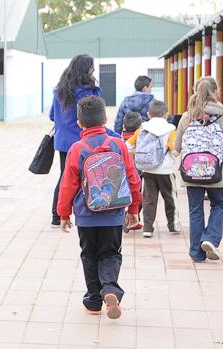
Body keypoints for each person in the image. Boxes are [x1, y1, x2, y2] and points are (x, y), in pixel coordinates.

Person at [57, 96, 141, 319]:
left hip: (86, 215)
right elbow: (132, 178)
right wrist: (133, 209)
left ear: (79, 123)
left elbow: (67, 185)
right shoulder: (119, 144)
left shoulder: (77, 149)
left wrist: (63, 213)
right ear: (105, 118)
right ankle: (111, 289)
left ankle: (94, 300)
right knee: (111, 253)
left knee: (89, 255)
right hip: (113, 214)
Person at [48, 54, 119, 227]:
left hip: (64, 142)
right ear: (87, 69)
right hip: (85, 141)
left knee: (65, 177)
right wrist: (115, 136)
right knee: (94, 174)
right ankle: (94, 209)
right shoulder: (88, 92)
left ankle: (57, 216)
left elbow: (52, 115)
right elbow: (93, 118)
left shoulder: (60, 90)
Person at [175, 77, 223, 262]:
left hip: (191, 171)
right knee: (218, 205)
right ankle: (210, 238)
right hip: (216, 171)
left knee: (195, 210)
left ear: (194, 90)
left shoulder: (188, 115)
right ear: (216, 91)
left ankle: (196, 253)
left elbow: (177, 146)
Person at [127, 100, 181, 238]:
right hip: (165, 171)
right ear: (165, 114)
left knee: (149, 199)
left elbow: (129, 146)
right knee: (170, 198)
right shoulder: (170, 129)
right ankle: (173, 224)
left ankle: (148, 228)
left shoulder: (142, 129)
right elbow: (175, 151)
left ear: (148, 114)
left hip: (148, 170)